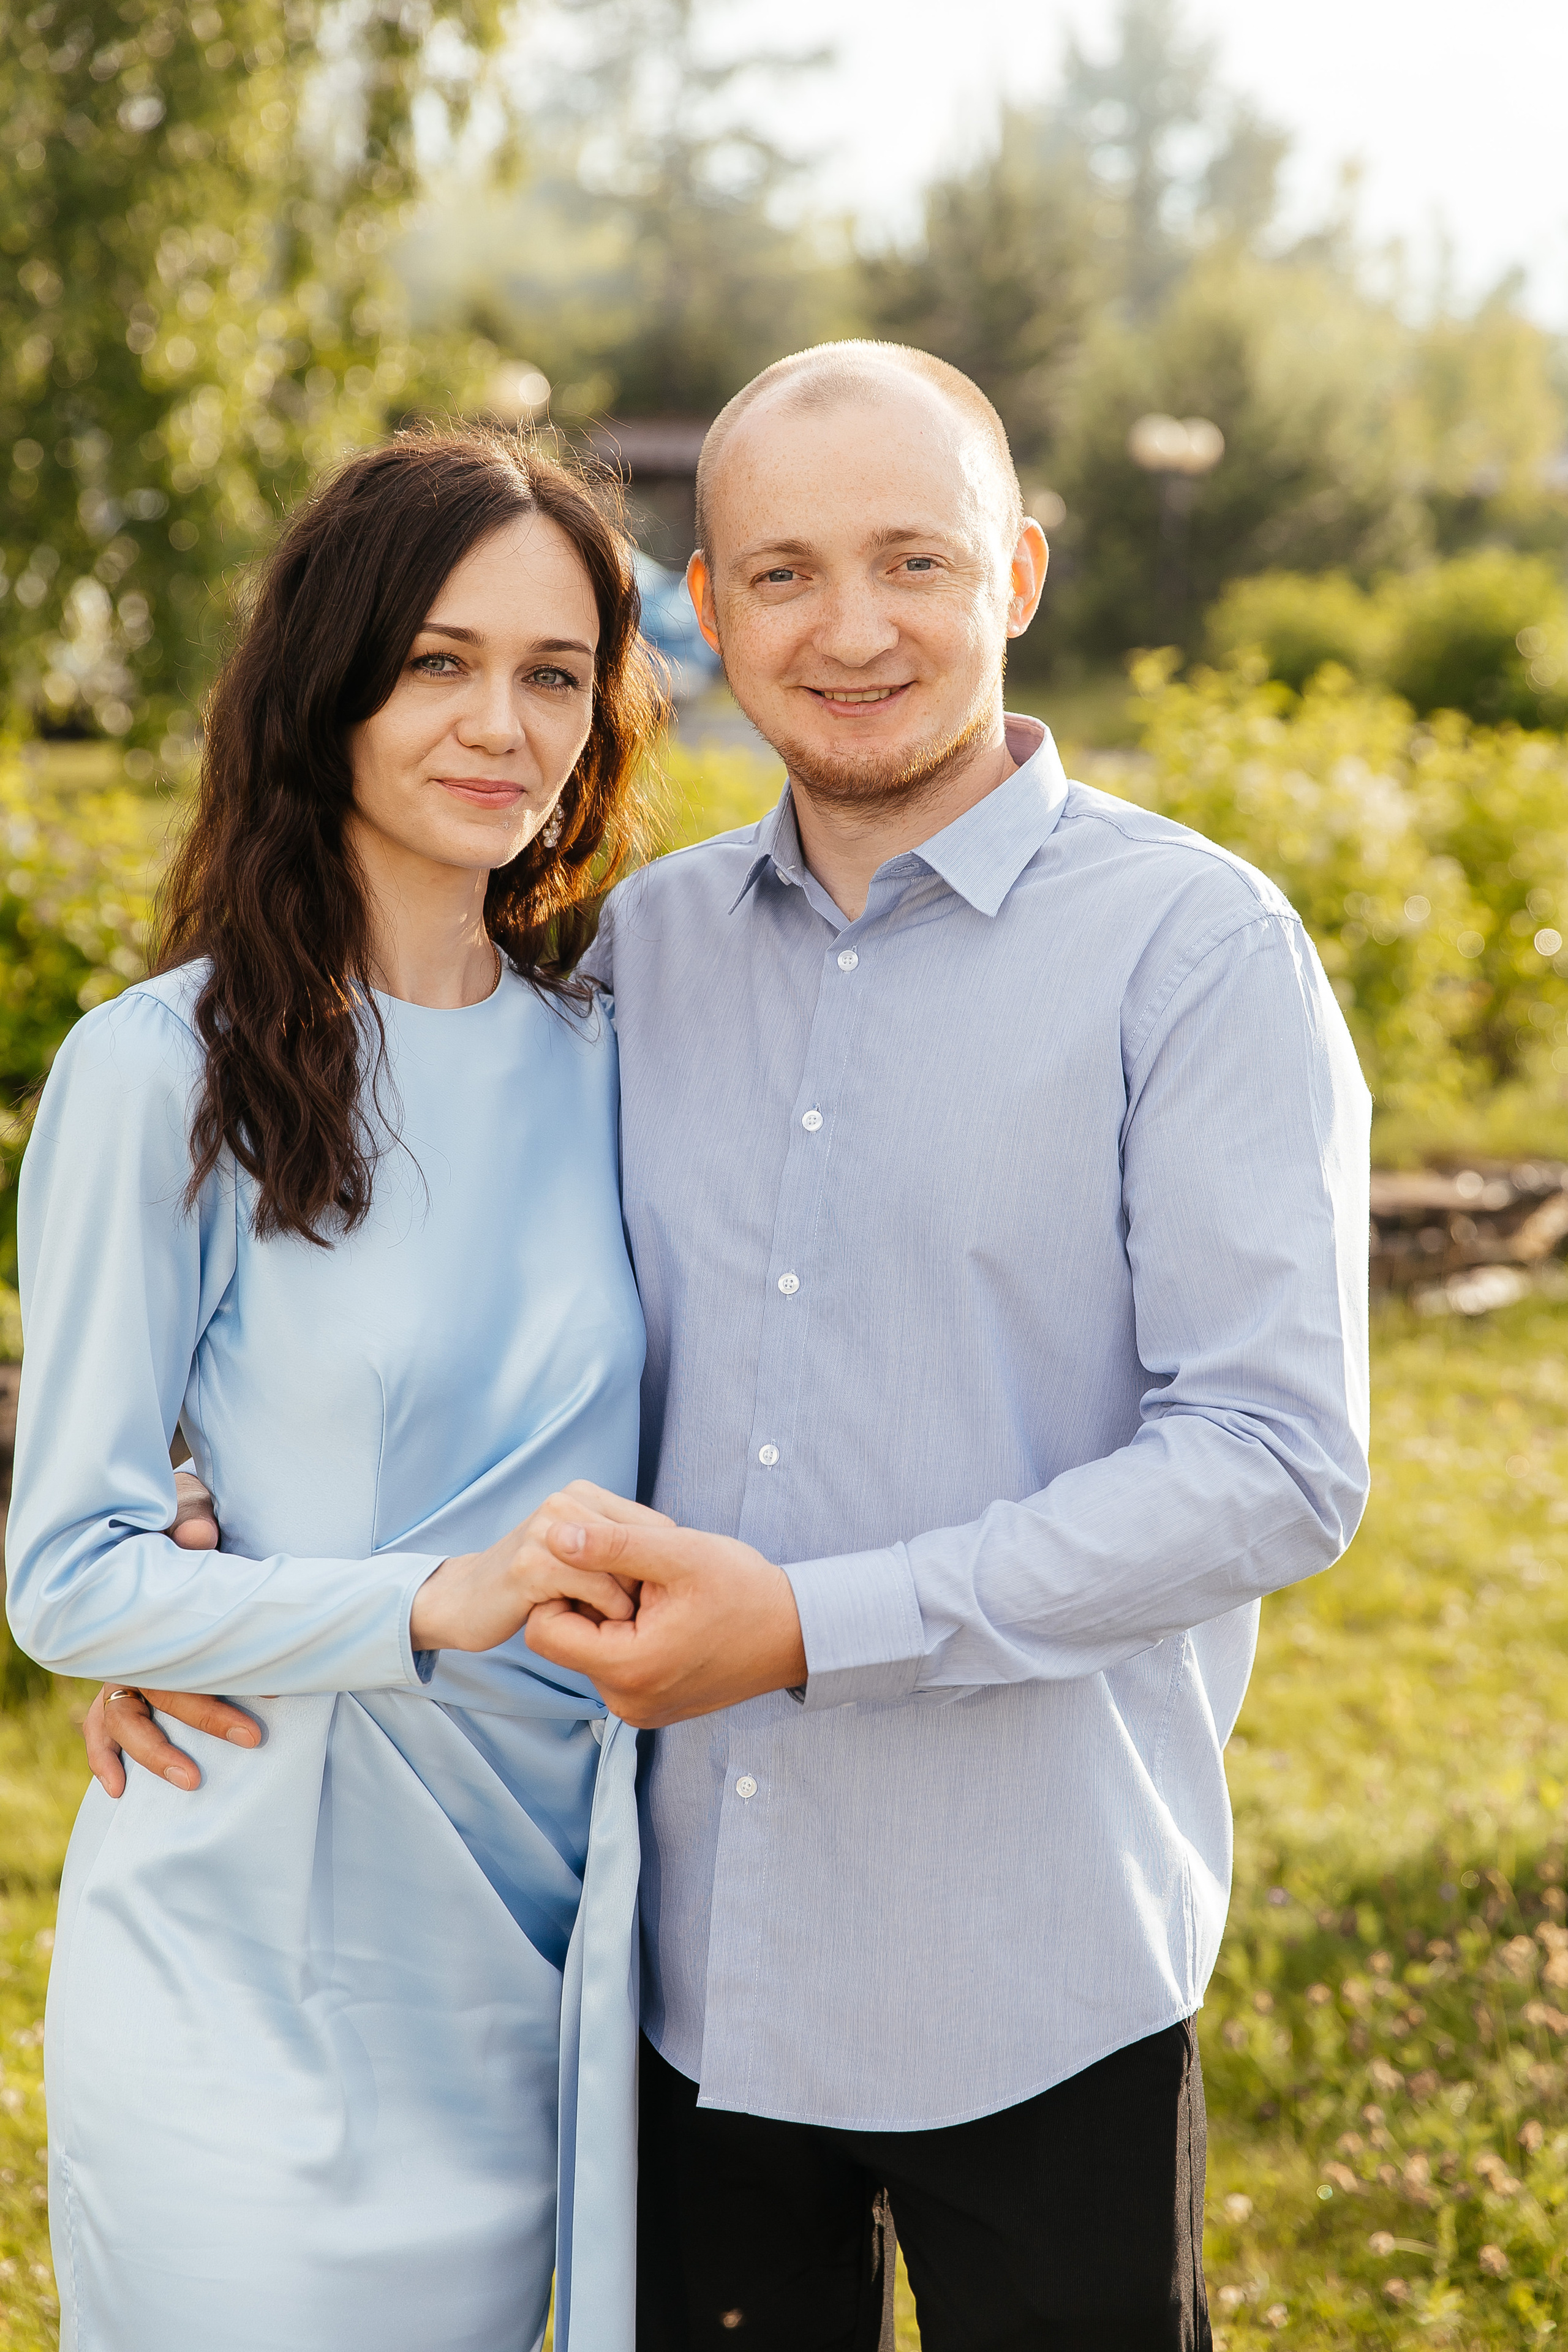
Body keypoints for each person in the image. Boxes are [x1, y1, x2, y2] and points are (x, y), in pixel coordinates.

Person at [85, 341, 1372, 2352]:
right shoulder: (622, 965)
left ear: (1016, 575)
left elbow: (1279, 1463)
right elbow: (401, 1265)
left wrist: (808, 1623)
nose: (850, 631)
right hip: (678, 1980)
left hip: (1023, 1967)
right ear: (707, 603)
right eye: (781, 574)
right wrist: (196, 1541)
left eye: (913, 565)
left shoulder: (1194, 956)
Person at [6, 427, 666, 2352]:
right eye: (439, 662)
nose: (502, 724)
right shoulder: (166, 1069)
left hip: (559, 1938)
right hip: (259, 1957)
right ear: (331, 683)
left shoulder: (622, 1056)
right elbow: (70, 1576)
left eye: (555, 674)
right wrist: (415, 1601)